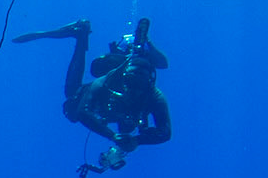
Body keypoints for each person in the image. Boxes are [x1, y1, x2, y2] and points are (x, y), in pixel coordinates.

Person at [13, 17, 172, 156]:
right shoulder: (109, 80)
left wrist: (136, 140)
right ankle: (81, 36)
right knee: (72, 96)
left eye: (139, 85)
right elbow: (82, 112)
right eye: (131, 83)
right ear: (124, 76)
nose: (133, 89)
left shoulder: (155, 96)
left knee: (127, 128)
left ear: (149, 83)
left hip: (117, 108)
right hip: (106, 95)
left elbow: (165, 132)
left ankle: (83, 35)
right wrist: (112, 136)